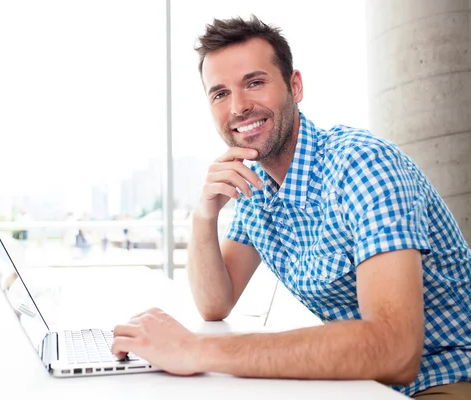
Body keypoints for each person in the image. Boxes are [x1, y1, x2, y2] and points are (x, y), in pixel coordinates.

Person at [111, 16, 471, 398]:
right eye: (220, 93)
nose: (238, 107)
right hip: (365, 382)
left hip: (448, 375)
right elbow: (215, 303)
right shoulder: (255, 186)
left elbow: (395, 351)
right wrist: (204, 214)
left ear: (294, 86)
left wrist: (196, 350)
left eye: (254, 82)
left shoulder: (362, 165)